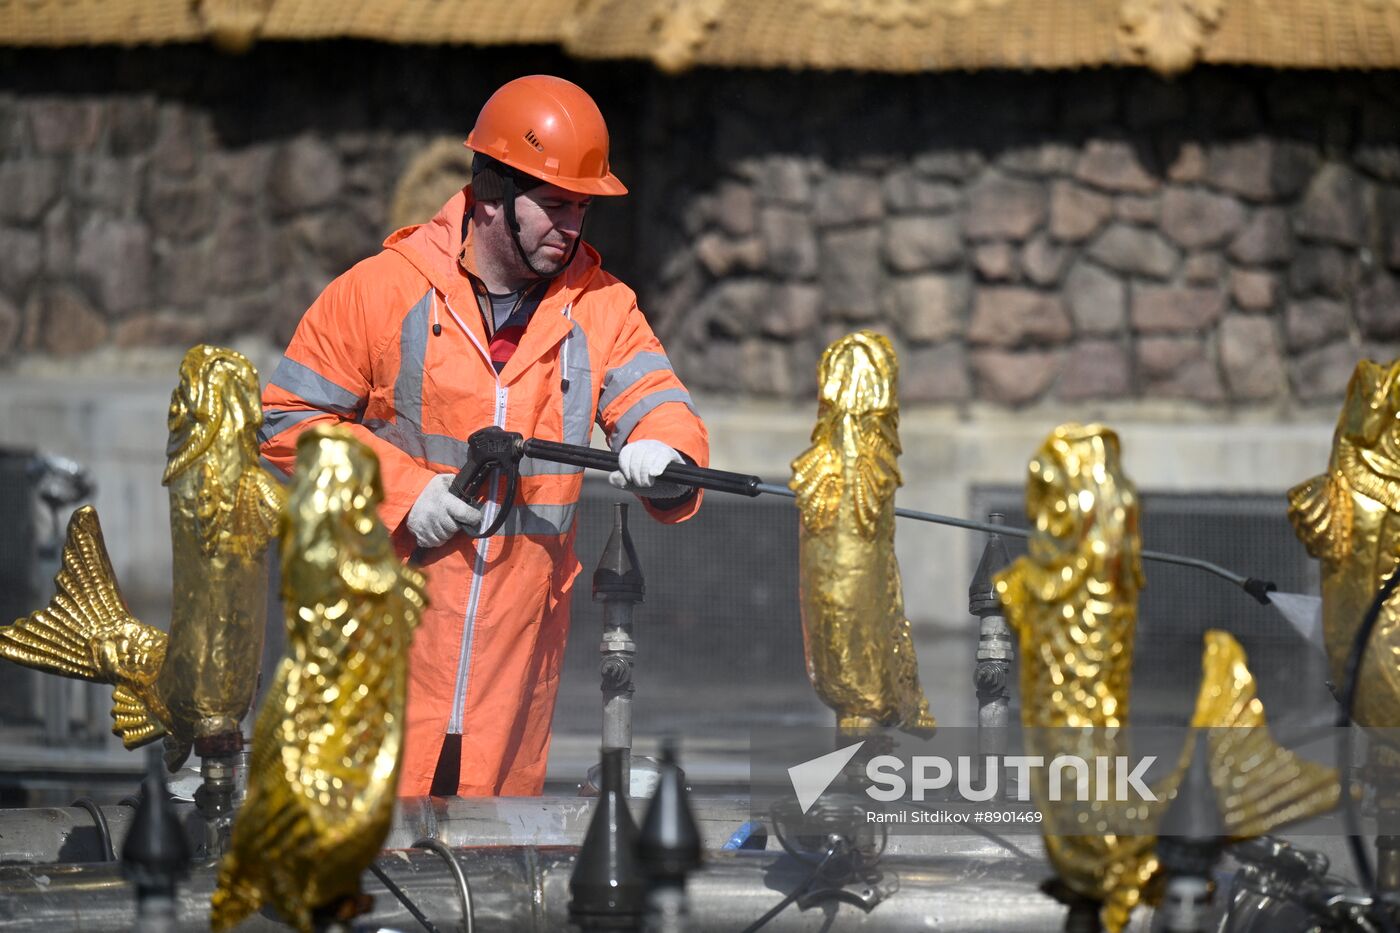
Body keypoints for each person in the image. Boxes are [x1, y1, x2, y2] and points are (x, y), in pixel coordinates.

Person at [258, 75, 709, 796]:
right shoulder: (381, 290)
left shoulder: (604, 310)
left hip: (516, 666)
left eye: (582, 207)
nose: (572, 226)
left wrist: (670, 453)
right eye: (555, 205)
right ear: (492, 194)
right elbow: (287, 419)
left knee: (493, 858)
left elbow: (657, 402)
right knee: (365, 849)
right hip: (385, 645)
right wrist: (404, 495)